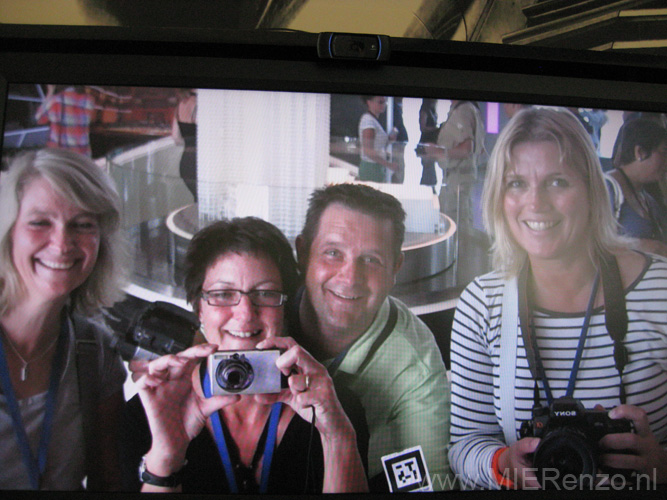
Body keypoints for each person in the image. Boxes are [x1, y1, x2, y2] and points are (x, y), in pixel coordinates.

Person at [448, 107, 667, 489]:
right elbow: (465, 444)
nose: (535, 203)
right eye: (516, 183)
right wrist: (503, 464)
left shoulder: (660, 290)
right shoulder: (482, 304)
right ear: (499, 195)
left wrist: (663, 466)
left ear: (590, 190)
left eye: (557, 182)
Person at [121, 217, 367, 494]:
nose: (246, 313)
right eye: (223, 294)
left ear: (284, 307)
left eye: (264, 293)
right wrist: (166, 456)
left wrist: (337, 438)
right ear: (198, 308)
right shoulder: (153, 412)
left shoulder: (332, 406)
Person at [291, 183, 452, 491]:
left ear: (396, 269)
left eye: (371, 260)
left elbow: (430, 481)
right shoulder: (266, 309)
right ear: (302, 253)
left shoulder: (414, 365)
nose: (350, 278)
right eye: (333, 252)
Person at [0, 148, 127, 490]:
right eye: (40, 222)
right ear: (9, 232)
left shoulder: (96, 352)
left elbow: (109, 481)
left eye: (82, 225)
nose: (61, 244)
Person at [606, 118, 667, 257]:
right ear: (639, 152)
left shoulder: (648, 200)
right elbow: (585, 242)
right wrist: (638, 246)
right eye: (664, 152)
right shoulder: (606, 188)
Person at [34, 85, 96, 157]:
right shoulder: (89, 100)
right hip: (82, 152)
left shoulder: (55, 100)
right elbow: (91, 120)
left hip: (59, 153)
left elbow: (39, 118)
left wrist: (50, 92)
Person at [357, 96, 398, 183]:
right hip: (371, 167)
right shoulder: (368, 121)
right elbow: (368, 151)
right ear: (369, 102)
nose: (384, 105)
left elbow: (376, 146)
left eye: (385, 102)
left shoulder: (372, 120)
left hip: (375, 166)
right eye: (380, 102)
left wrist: (389, 139)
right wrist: (389, 165)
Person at [171, 89, 198, 202]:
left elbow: (176, 138)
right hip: (199, 162)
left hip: (185, 162)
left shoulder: (180, 105)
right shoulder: (201, 105)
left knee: (197, 199)